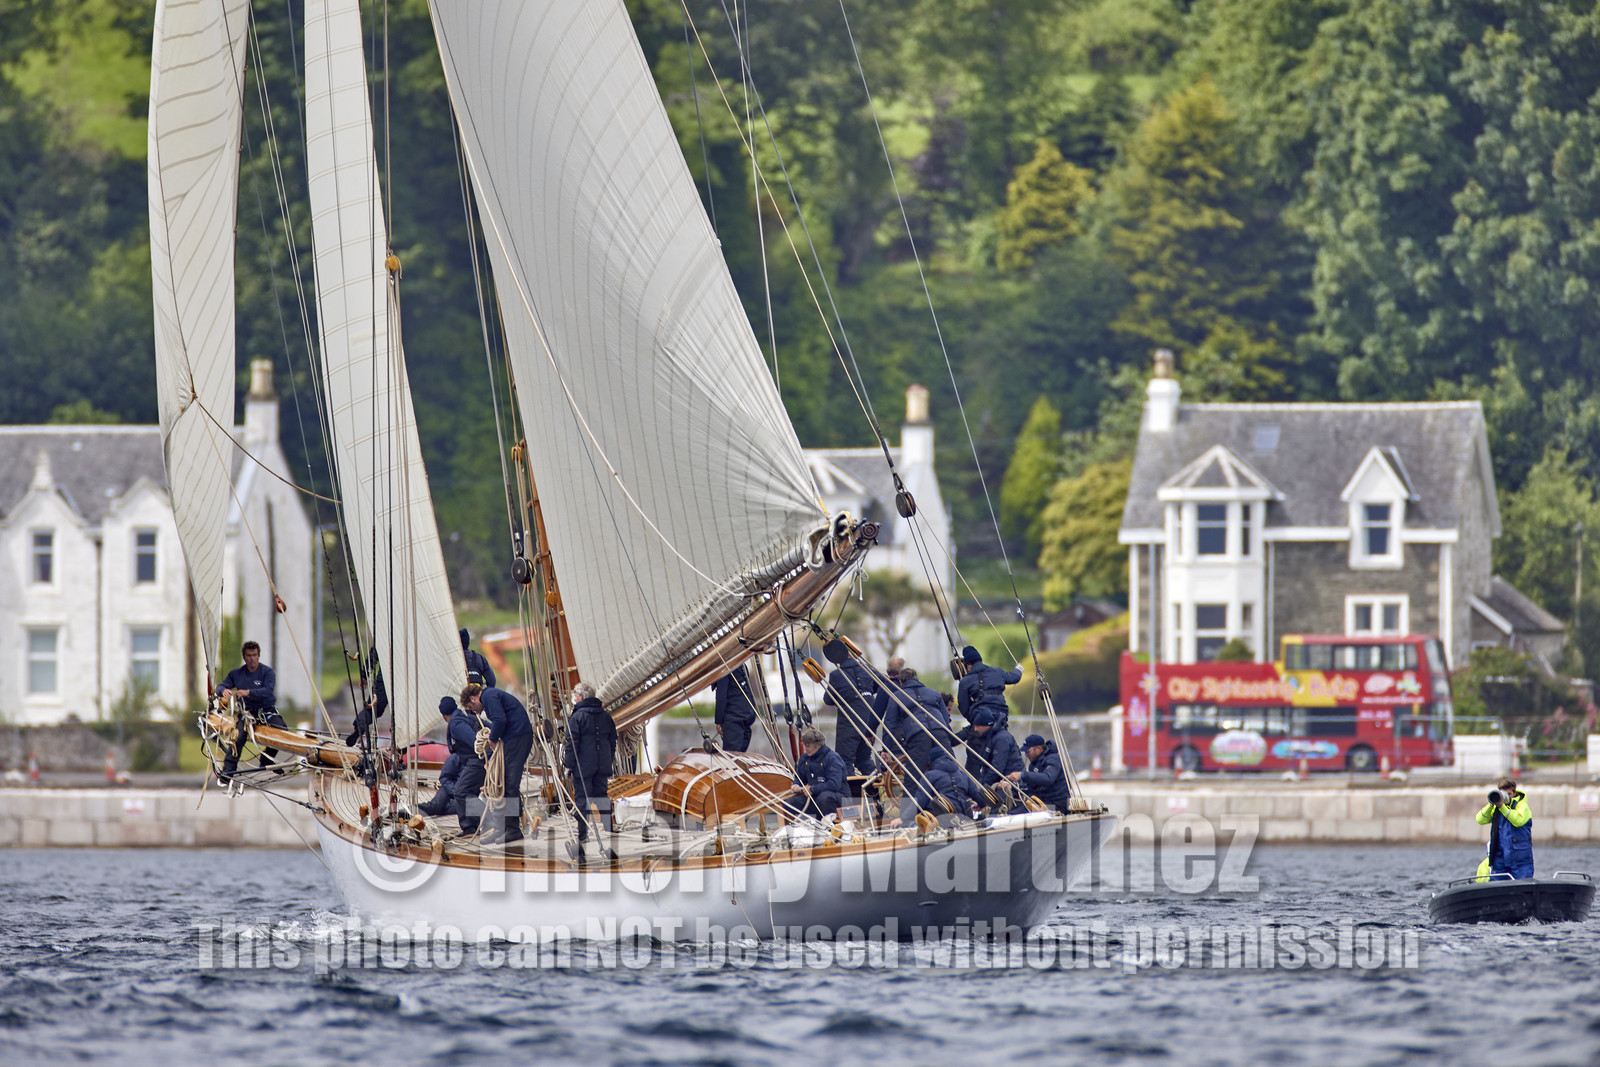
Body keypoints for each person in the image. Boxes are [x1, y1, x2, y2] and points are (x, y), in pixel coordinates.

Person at [462, 682, 533, 845]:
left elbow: (500, 720)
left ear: (473, 698)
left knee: (509, 785)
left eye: (472, 707)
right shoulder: (491, 695)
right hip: (514, 738)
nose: (475, 712)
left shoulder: (489, 696)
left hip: (518, 738)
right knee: (502, 783)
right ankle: (501, 829)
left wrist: (492, 739)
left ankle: (513, 830)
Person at [215, 641, 287, 778]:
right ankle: (228, 771)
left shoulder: (267, 672)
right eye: (249, 656)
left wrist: (248, 692)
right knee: (238, 736)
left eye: (254, 655)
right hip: (246, 713)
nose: (252, 658)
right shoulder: (236, 674)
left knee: (282, 732)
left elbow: (268, 691)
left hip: (266, 710)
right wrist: (223, 690)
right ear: (244, 657)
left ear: (258, 656)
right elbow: (220, 687)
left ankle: (266, 759)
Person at [564, 681, 617, 860]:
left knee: (582, 800)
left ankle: (583, 834)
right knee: (602, 797)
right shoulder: (606, 716)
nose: (573, 697)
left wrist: (568, 765)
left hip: (583, 767)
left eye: (575, 694)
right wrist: (608, 760)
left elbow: (572, 744)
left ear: (581, 697)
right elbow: (612, 740)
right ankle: (609, 830)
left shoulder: (577, 717)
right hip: (602, 766)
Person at [876, 663, 953, 777]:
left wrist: (886, 749)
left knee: (913, 777)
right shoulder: (935, 694)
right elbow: (945, 720)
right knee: (951, 770)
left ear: (901, 682)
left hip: (917, 735)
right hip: (940, 732)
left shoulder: (897, 696)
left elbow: (889, 724)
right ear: (917, 679)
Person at [820, 640, 879, 776]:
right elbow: (880, 684)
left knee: (844, 762)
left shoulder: (836, 675)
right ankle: (877, 786)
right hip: (870, 723)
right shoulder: (867, 669)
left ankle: (851, 790)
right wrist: (866, 693)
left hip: (849, 725)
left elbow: (828, 699)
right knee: (864, 760)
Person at [891, 749, 987, 828]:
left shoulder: (930, 776)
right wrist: (981, 805)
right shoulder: (962, 774)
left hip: (941, 821)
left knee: (908, 826)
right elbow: (977, 795)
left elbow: (920, 800)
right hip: (964, 819)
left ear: (931, 761)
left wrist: (902, 819)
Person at [1475, 777, 1534, 881]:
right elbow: (1480, 819)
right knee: (1496, 886)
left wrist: (1502, 806)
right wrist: (1491, 803)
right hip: (1500, 859)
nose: (1506, 797)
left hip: (1520, 860)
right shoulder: (1497, 808)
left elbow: (1517, 820)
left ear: (1514, 793)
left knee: (1522, 886)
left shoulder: (1522, 806)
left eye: (1509, 794)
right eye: (1503, 794)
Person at [785, 725, 848, 819]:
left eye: (808, 746)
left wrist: (813, 789)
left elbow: (834, 785)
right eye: (805, 745)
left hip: (838, 798)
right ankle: (798, 825)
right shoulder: (804, 759)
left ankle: (830, 824)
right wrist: (796, 784)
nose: (805, 748)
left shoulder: (832, 758)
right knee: (790, 802)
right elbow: (800, 777)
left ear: (819, 746)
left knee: (824, 798)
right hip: (814, 798)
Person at [418, 697, 465, 818]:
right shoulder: (464, 720)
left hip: (459, 784)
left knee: (438, 807)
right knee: (439, 806)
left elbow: (445, 777)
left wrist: (457, 793)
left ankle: (411, 810)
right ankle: (413, 810)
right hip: (458, 783)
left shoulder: (456, 724)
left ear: (444, 716)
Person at [447, 696, 487, 836]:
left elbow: (474, 740)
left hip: (476, 762)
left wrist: (488, 756)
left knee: (460, 792)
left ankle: (488, 818)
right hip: (479, 762)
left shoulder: (456, 723)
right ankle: (473, 826)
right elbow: (488, 727)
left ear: (444, 715)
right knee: (469, 793)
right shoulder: (467, 717)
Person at [956, 645, 1021, 729]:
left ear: (968, 665)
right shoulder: (998, 671)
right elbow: (1014, 677)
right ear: (980, 661)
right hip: (1000, 719)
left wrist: (974, 721)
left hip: (980, 723)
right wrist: (1018, 670)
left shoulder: (965, 681)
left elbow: (963, 706)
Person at [1008, 734, 1073, 813]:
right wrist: (1013, 787)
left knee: (1015, 813)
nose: (1026, 754)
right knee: (1013, 810)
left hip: (1057, 805)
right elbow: (1032, 788)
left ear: (1038, 748)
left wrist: (1023, 775)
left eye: (1028, 751)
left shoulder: (1053, 759)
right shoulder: (1033, 765)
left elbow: (1048, 778)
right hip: (1042, 802)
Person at [965, 708, 1023, 791]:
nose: (975, 729)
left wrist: (982, 785)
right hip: (997, 782)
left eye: (977, 726)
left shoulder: (1002, 739)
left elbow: (997, 768)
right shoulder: (990, 737)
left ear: (986, 725)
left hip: (1009, 786)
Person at [344, 647, 389, 746]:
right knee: (405, 715)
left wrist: (364, 674)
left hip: (384, 680)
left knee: (372, 709)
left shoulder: (387, 639)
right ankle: (401, 746)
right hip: (406, 681)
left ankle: (360, 726)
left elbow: (375, 652)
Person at [712, 664, 758, 753]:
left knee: (731, 757)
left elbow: (721, 697)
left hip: (734, 719)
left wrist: (718, 721)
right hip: (747, 715)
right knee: (740, 756)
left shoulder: (723, 668)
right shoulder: (741, 665)